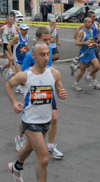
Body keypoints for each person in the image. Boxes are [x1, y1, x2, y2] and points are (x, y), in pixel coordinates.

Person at [6, 42, 67, 182]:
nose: (46, 57)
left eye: (47, 54)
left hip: (45, 120)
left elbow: (59, 87)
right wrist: (14, 102)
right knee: (44, 158)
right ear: (33, 56)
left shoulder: (54, 73)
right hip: (30, 121)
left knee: (30, 147)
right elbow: (8, 85)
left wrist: (61, 92)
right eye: (42, 54)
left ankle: (16, 166)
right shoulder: (25, 76)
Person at [14, 27, 63, 160]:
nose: (48, 42)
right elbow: (22, 72)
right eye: (45, 40)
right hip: (33, 92)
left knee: (54, 117)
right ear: (38, 40)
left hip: (47, 90)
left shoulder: (49, 50)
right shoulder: (32, 54)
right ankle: (20, 137)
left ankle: (51, 146)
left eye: (49, 39)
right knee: (27, 116)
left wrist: (59, 88)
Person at [73, 16, 100, 91]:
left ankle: (88, 77)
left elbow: (91, 41)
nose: (90, 23)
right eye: (88, 22)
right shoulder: (81, 32)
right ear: (84, 23)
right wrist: (84, 43)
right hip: (84, 53)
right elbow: (76, 42)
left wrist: (94, 43)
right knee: (82, 71)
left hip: (91, 52)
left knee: (97, 67)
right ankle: (76, 84)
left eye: (91, 22)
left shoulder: (91, 31)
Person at [6, 23, 30, 87]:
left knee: (23, 73)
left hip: (24, 57)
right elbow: (9, 46)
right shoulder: (17, 37)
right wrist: (11, 56)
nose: (26, 31)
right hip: (17, 58)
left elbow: (25, 46)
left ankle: (11, 73)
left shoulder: (27, 37)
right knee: (19, 74)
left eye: (27, 29)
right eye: (24, 29)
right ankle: (19, 88)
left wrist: (31, 52)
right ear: (21, 30)